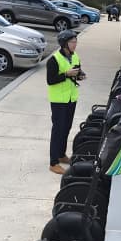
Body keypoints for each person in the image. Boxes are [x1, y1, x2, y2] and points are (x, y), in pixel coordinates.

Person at [46, 30, 86, 175]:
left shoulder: (75, 56)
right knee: (58, 130)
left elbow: (78, 71)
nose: (75, 45)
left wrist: (80, 75)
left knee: (66, 127)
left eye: (76, 42)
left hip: (71, 98)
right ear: (64, 44)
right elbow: (50, 80)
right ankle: (53, 162)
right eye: (72, 42)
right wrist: (66, 75)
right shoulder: (54, 60)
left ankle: (61, 154)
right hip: (58, 100)